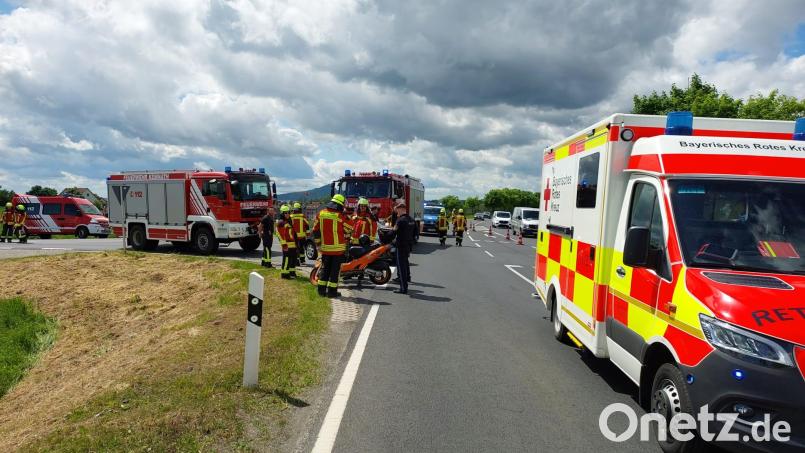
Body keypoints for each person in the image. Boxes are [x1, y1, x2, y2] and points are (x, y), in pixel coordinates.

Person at [312, 194, 352, 297]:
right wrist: (347, 217)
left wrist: (318, 243)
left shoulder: (321, 213)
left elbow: (315, 230)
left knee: (325, 269)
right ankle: (332, 292)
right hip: (338, 250)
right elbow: (349, 228)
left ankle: (321, 291)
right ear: (340, 205)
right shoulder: (341, 216)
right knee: (334, 272)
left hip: (325, 249)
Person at [392, 202, 415, 294]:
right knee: (405, 264)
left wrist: (386, 238)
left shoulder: (400, 220)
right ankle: (407, 280)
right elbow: (416, 233)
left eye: (397, 209)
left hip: (400, 246)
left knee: (401, 267)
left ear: (401, 209)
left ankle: (403, 288)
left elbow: (393, 232)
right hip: (408, 246)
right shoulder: (412, 220)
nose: (396, 211)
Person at [275, 205, 298, 279]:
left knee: (293, 259)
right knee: (287, 259)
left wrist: (297, 242)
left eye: (288, 212)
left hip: (293, 244)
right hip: (287, 245)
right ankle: (285, 274)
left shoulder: (290, 220)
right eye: (285, 213)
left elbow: (293, 232)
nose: (287, 214)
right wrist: (284, 245)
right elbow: (279, 234)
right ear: (282, 213)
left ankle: (292, 272)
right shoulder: (281, 222)